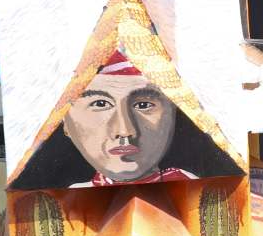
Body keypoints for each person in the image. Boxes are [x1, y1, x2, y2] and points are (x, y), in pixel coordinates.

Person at [64, 50, 198, 186]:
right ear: (64, 121)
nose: (124, 131)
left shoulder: (194, 187)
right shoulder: (67, 197)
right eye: (100, 104)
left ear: (172, 114)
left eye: (143, 105)